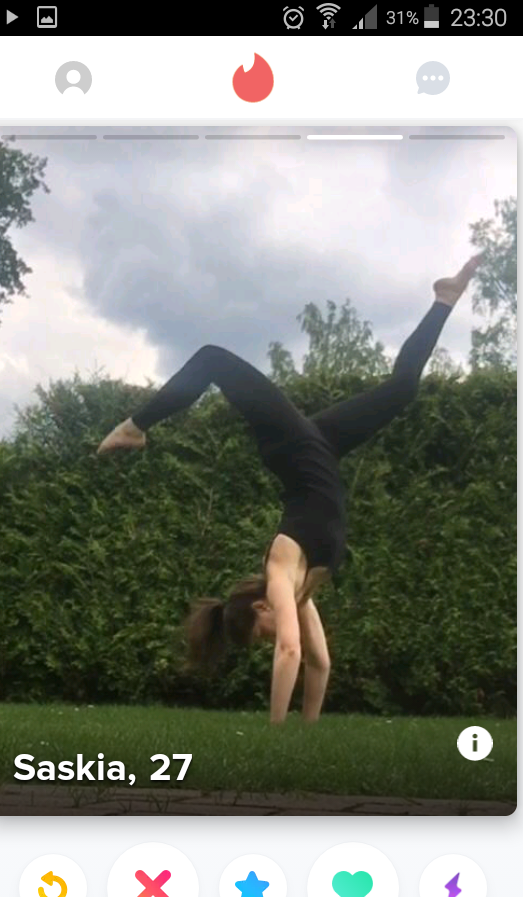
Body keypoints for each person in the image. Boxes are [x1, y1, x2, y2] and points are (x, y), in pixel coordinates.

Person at [98, 255, 481, 724]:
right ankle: (445, 299)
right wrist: (305, 730)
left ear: (262, 606)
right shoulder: (301, 592)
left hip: (292, 447)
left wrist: (275, 731)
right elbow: (319, 663)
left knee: (212, 358)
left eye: (262, 631)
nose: (273, 634)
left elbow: (289, 650)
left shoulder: (280, 569)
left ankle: (135, 426)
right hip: (320, 447)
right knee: (401, 390)